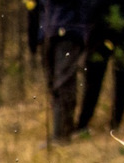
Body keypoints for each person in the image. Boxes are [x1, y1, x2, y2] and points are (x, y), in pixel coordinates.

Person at [76, 0, 124, 132]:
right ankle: (84, 123)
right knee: (94, 76)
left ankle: (115, 123)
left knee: (120, 75)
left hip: (122, 28)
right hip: (99, 28)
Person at [42, 0, 102, 138]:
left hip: (70, 31)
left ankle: (62, 133)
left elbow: (89, 6)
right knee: (54, 83)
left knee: (64, 82)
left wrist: (81, 27)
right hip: (51, 31)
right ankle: (60, 131)